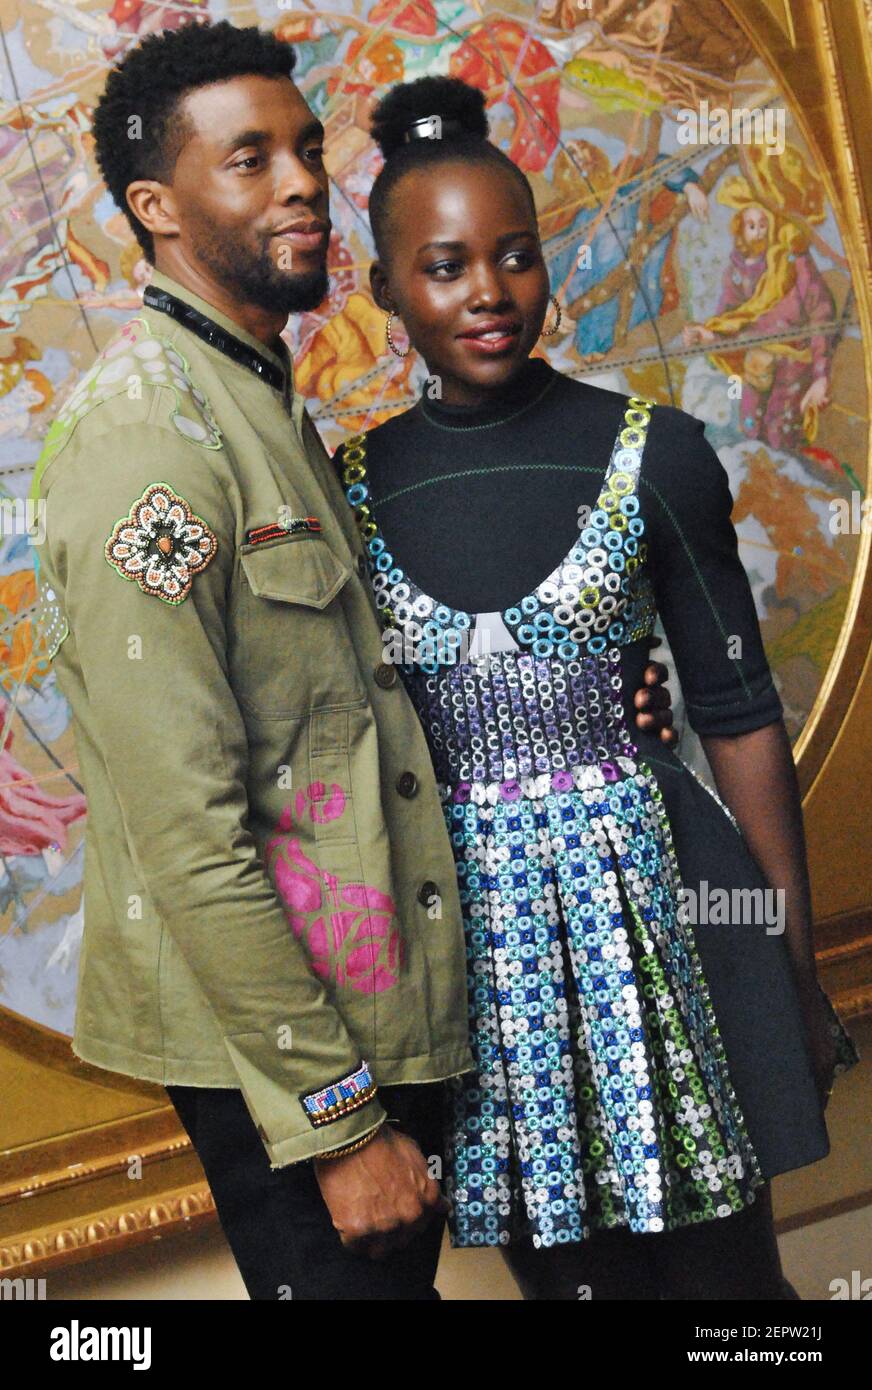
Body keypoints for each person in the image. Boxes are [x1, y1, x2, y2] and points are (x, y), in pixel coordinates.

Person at [28, 24, 675, 1301]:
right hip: (292, 1056)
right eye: (249, 160)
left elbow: (346, 705)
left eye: (304, 151)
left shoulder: (257, 400)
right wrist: (336, 1125)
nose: (302, 185)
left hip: (369, 1004)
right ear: (155, 209)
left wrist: (602, 691)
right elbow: (184, 829)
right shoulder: (147, 441)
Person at [332, 75, 861, 1300]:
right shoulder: (349, 489)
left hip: (665, 929)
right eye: (446, 265)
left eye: (514, 257)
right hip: (480, 961)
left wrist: (783, 950)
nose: (486, 293)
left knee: (730, 1293)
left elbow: (735, 714)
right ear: (384, 290)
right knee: (572, 1288)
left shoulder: (650, 451)